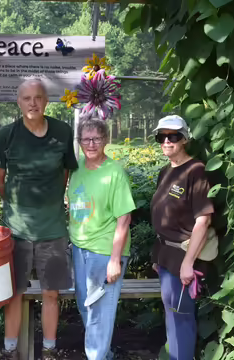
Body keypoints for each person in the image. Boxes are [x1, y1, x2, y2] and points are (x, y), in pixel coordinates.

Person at [0, 79, 78, 359]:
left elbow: (66, 173)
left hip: (53, 230)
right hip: (16, 232)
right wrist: (20, 202)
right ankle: (10, 350)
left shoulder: (62, 132)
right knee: (13, 294)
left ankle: (49, 350)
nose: (33, 103)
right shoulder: (6, 135)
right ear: (19, 102)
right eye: (27, 98)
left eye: (38, 97)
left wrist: (49, 201)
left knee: (52, 294)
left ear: (46, 100)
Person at [68, 119, 136, 360]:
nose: (91, 144)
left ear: (106, 140)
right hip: (79, 248)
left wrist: (115, 259)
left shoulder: (115, 173)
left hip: (104, 252)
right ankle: (102, 355)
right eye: (86, 139)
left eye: (96, 138)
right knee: (86, 307)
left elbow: (124, 219)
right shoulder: (77, 168)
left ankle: (96, 356)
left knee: (98, 311)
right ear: (79, 142)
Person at [149, 115, 215, 360]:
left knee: (181, 319)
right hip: (166, 257)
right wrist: (158, 256)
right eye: (161, 136)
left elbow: (203, 220)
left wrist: (188, 262)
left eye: (173, 136)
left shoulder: (196, 171)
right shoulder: (166, 171)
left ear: (185, 138)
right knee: (172, 317)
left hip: (183, 258)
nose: (167, 141)